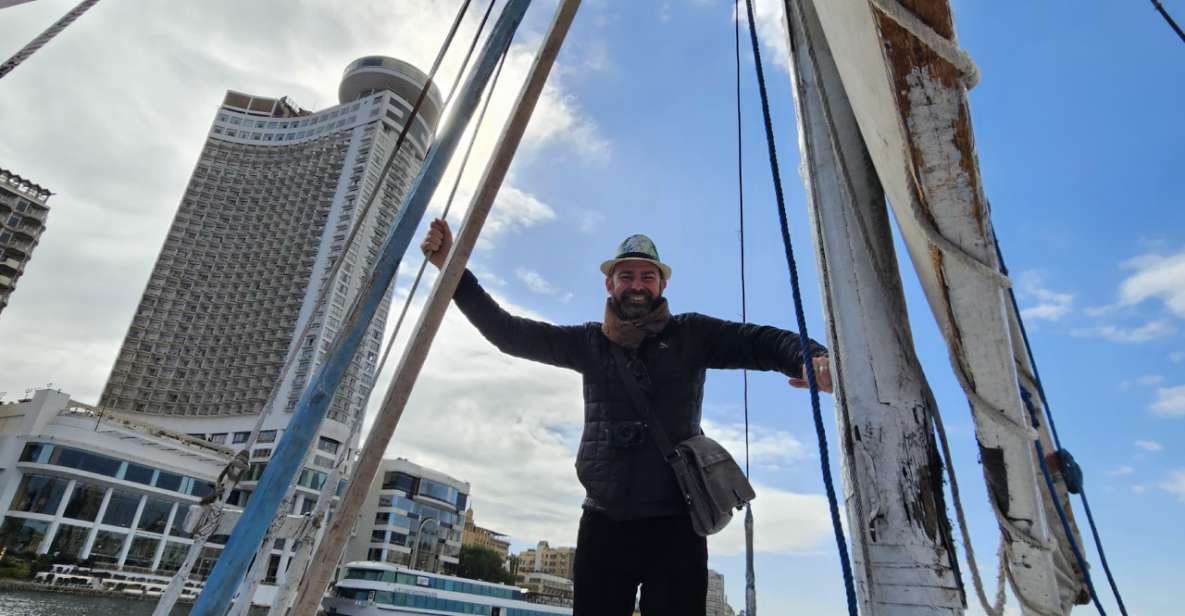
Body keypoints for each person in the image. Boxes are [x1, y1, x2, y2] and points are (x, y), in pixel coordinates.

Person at [421, 220, 832, 615]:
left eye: (646, 277)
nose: (637, 285)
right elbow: (507, 332)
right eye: (627, 276)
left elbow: (758, 342)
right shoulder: (588, 343)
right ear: (610, 284)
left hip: (677, 524)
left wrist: (811, 358)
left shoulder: (691, 335)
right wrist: (454, 268)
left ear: (662, 284)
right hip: (605, 522)